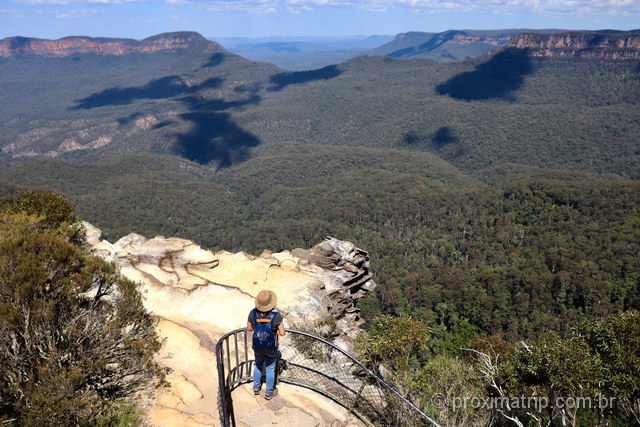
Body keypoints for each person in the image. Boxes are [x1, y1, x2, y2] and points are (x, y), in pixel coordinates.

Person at [247, 290, 285, 400]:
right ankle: (269, 392)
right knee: (270, 368)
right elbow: (282, 333)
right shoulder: (276, 316)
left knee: (258, 365)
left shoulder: (252, 313)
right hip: (271, 348)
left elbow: (249, 328)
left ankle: (256, 388)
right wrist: (275, 332)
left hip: (258, 346)